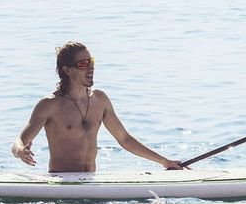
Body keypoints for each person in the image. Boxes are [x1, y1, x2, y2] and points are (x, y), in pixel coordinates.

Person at [11, 41, 182, 173]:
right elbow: (19, 141)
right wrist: (20, 151)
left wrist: (164, 162)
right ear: (67, 70)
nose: (90, 67)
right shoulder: (50, 105)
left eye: (91, 61)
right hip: (61, 181)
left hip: (91, 180)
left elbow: (124, 139)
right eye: (83, 64)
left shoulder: (100, 100)